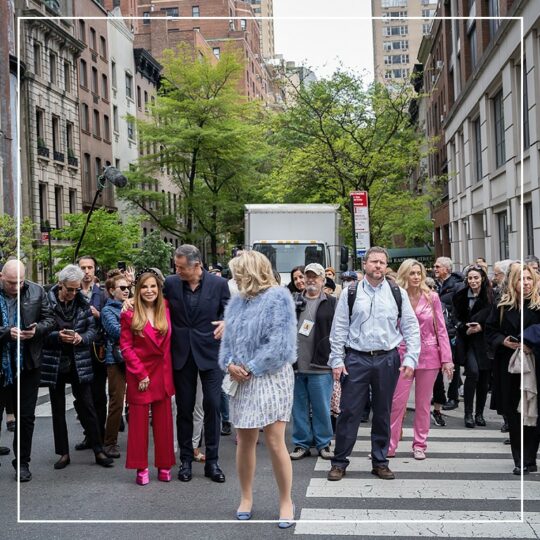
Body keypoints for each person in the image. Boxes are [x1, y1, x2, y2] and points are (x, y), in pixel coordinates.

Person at [327, 247, 420, 481]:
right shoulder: (350, 292)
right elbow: (339, 329)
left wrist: (411, 357)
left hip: (387, 358)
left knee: (383, 412)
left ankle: (380, 461)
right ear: (365, 264)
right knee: (349, 411)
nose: (378, 266)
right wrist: (337, 360)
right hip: (356, 358)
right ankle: (339, 462)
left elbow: (410, 326)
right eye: (374, 261)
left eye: (382, 262)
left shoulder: (396, 292)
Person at [219, 251, 297, 527]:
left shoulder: (278, 297)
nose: (234, 278)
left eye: (237, 272)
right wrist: (229, 364)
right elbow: (227, 342)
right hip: (241, 377)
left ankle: (286, 500)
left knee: (276, 440)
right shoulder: (237, 303)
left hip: (271, 376)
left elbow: (281, 345)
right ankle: (246, 497)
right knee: (245, 439)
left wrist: (249, 367)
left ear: (250, 272)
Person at [164, 244, 229, 483]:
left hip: (210, 353)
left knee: (212, 405)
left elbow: (230, 309)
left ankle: (212, 462)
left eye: (182, 267)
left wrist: (227, 322)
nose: (177, 270)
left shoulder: (219, 284)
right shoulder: (170, 283)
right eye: (176, 266)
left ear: (197, 265)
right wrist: (130, 302)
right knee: (184, 408)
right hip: (181, 354)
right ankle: (185, 461)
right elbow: (152, 302)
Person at [40, 264, 113, 470]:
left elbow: (93, 330)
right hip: (55, 361)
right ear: (60, 285)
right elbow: (42, 332)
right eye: (69, 289)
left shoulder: (83, 302)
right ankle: (63, 453)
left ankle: (98, 449)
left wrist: (81, 338)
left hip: (78, 359)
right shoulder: (47, 302)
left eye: (76, 288)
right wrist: (57, 336)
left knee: (87, 404)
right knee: (58, 409)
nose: (73, 293)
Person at [388, 260, 454, 459]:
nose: (416, 277)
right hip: (402, 353)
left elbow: (441, 329)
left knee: (423, 404)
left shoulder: (432, 296)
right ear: (404, 275)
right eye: (412, 273)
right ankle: (389, 445)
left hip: (428, 354)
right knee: (396, 402)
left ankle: (420, 444)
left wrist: (447, 359)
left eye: (419, 273)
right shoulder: (396, 296)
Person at [0, 259, 55, 481]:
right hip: (2, 364)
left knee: (25, 417)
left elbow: (50, 319)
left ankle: (22, 463)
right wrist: (5, 332)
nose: (16, 287)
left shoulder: (36, 291)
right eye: (11, 282)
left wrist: (37, 330)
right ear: (1, 276)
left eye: (20, 282)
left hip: (28, 363)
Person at [120, 269, 176, 484]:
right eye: (144, 287)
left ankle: (164, 465)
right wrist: (140, 374)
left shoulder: (167, 308)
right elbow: (125, 346)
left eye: (153, 286)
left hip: (162, 373)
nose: (149, 290)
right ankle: (140, 467)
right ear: (138, 290)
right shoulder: (128, 313)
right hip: (140, 374)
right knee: (138, 426)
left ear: (159, 288)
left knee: (164, 424)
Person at [486, 264, 540, 474]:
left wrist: (532, 342)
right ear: (512, 282)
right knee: (514, 412)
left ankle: (530, 457)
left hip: (535, 365)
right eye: (520, 279)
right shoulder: (502, 306)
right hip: (509, 366)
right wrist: (503, 341)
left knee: (534, 412)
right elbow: (490, 332)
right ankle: (520, 459)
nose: (525, 283)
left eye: (528, 278)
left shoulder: (538, 305)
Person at [289, 263, 336, 461]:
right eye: (307, 276)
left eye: (315, 276)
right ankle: (301, 444)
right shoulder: (293, 301)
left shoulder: (333, 302)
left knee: (322, 407)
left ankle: (324, 443)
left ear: (323, 279)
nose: (310, 280)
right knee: (298, 407)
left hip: (321, 365)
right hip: (296, 365)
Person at [452, 265, 493, 428]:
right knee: (473, 373)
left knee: (483, 379)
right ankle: (468, 413)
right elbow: (455, 318)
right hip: (467, 341)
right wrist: (464, 328)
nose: (473, 281)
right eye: (470, 278)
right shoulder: (460, 296)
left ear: (482, 279)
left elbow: (495, 318)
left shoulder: (491, 296)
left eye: (476, 278)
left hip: (484, 342)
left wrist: (481, 327)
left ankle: (479, 414)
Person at [75, 256, 107, 451]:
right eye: (83, 268)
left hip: (97, 351)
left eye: (90, 267)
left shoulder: (102, 294)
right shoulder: (72, 292)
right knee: (81, 398)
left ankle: (100, 436)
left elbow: (115, 318)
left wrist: (99, 315)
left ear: (95, 269)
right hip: (78, 352)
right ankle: (90, 434)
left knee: (98, 395)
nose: (86, 271)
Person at [101, 272, 130, 459]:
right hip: (116, 360)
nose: (127, 291)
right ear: (112, 291)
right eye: (122, 288)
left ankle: (136, 437)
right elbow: (117, 332)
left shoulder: (132, 306)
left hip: (134, 358)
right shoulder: (107, 310)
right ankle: (109, 442)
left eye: (128, 287)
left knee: (136, 402)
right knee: (116, 402)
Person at [433, 257, 463, 411]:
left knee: (453, 365)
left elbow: (458, 309)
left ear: (447, 268)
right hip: (439, 329)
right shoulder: (438, 284)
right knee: (437, 365)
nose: (435, 269)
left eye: (438, 266)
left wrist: (455, 324)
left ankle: (453, 397)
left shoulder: (456, 285)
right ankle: (440, 395)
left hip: (451, 330)